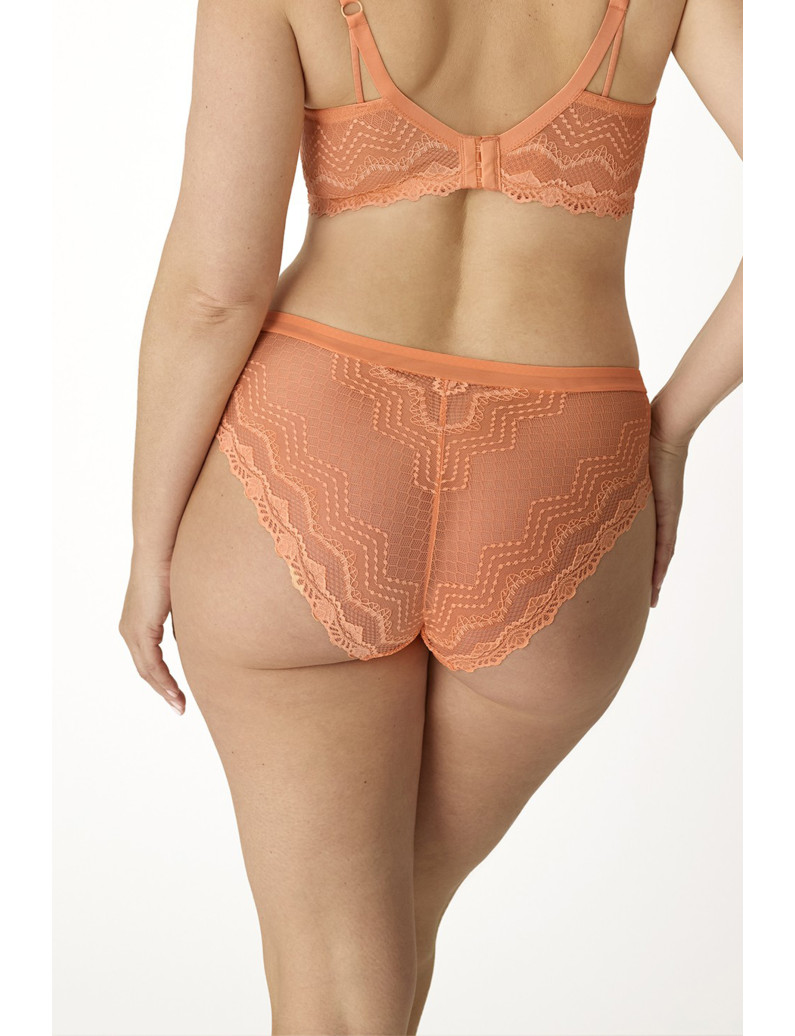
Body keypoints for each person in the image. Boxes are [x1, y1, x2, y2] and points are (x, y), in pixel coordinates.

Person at [119, 1, 742, 1032]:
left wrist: (151, 545)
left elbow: (214, 292)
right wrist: (669, 430)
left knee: (338, 978)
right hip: (563, 472)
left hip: (315, 454)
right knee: (382, 947)